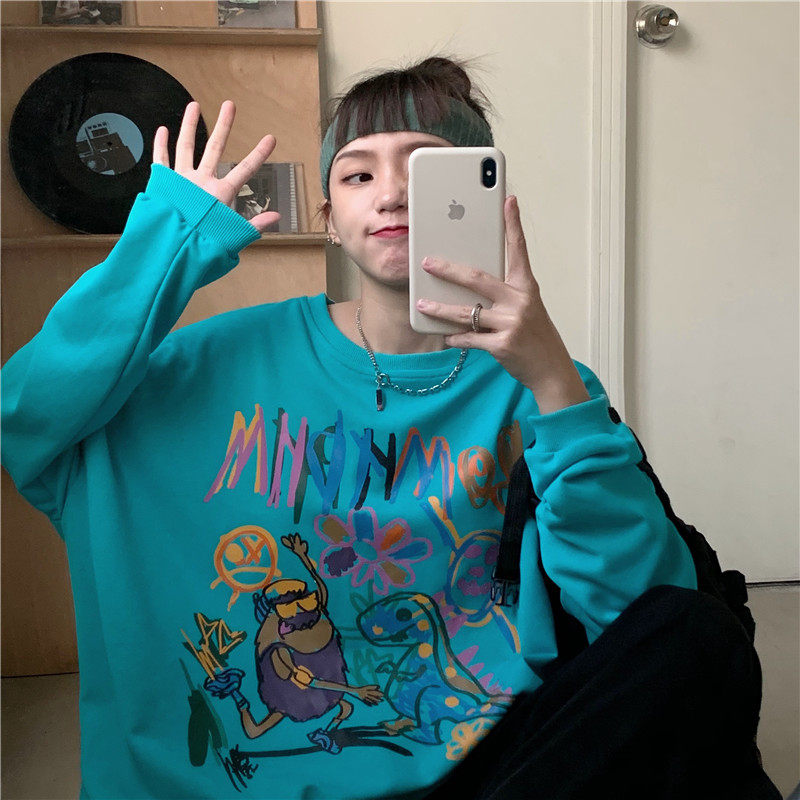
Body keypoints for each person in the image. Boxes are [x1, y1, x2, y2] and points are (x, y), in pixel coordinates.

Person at [0, 55, 780, 800]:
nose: (394, 192)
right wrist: (165, 244)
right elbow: (28, 420)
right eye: (358, 174)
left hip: (481, 777)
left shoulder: (542, 381)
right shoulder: (209, 364)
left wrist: (553, 379)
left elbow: (638, 617)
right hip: (224, 783)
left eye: (426, 167)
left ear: (483, 199)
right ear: (331, 221)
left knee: (697, 634)